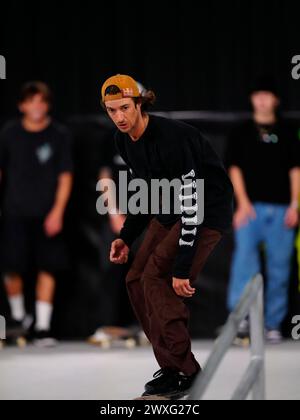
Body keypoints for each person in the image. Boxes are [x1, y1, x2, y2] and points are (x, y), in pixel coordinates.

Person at [101, 74, 233, 397]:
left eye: (124, 108)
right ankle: (171, 368)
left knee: (157, 278)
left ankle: (187, 371)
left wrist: (182, 266)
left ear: (140, 104)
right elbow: (147, 193)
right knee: (135, 277)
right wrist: (126, 236)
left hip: (205, 212)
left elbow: (193, 205)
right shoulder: (123, 141)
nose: (119, 117)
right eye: (111, 110)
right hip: (169, 210)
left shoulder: (173, 140)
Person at [226, 76, 300, 344]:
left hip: (282, 210)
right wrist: (242, 203)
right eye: (257, 94)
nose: (262, 99)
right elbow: (234, 168)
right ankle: (241, 318)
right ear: (252, 98)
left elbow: (296, 170)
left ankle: (272, 324)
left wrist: (295, 205)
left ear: (276, 100)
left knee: (280, 267)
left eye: (267, 94)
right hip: (250, 210)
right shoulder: (241, 131)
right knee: (244, 264)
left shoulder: (289, 131)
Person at [0, 81, 73, 347]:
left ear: (48, 105)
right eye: (31, 101)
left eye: (42, 101)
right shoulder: (9, 132)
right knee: (10, 267)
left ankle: (42, 327)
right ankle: (19, 320)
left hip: (47, 214)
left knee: (48, 266)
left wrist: (57, 212)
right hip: (14, 212)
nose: (37, 106)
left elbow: (66, 176)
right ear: (22, 105)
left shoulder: (59, 134)